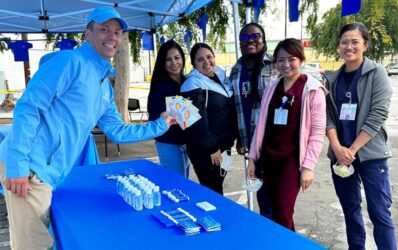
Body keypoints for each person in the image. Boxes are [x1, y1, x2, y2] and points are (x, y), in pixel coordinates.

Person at [0, 6, 176, 250]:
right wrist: (19, 165)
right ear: (87, 33)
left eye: (117, 32)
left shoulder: (104, 84)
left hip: (49, 172)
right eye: (104, 29)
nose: (112, 37)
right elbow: (28, 108)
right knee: (34, 244)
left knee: (38, 238)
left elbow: (117, 131)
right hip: (30, 167)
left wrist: (161, 125)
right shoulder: (69, 61)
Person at [325, 22, 397, 249]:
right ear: (338, 46)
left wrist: (352, 150)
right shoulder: (332, 79)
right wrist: (337, 148)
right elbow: (327, 116)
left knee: (379, 214)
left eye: (355, 42)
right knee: (351, 210)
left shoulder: (377, 73)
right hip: (340, 155)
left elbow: (377, 115)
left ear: (365, 45)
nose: (349, 46)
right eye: (344, 42)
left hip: (370, 156)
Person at [247, 38, 326, 230]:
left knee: (283, 213)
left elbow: (317, 132)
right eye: (280, 60)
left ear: (301, 59)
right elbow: (261, 124)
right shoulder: (273, 87)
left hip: (290, 162)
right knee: (267, 210)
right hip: (266, 158)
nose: (286, 64)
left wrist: (308, 167)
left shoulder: (313, 89)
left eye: (291, 59)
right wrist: (252, 157)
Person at [229, 22, 274, 215]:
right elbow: (236, 106)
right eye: (245, 38)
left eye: (255, 37)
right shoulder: (236, 70)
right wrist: (241, 138)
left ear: (263, 40)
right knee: (262, 193)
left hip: (272, 141)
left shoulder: (275, 65)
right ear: (240, 43)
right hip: (250, 142)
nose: (250, 41)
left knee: (276, 195)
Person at [181, 43, 237, 194]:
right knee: (212, 190)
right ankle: (212, 218)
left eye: (209, 57)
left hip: (224, 145)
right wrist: (212, 147)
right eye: (200, 59)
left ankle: (215, 216)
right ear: (193, 64)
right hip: (206, 149)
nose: (206, 62)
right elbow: (195, 121)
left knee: (217, 186)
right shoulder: (191, 84)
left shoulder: (222, 77)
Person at [147, 40, 190, 177]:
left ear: (183, 58)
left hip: (188, 141)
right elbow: (154, 117)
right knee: (175, 184)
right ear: (162, 63)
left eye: (177, 58)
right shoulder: (160, 87)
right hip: (168, 143)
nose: (174, 63)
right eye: (168, 60)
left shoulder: (189, 82)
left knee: (185, 181)